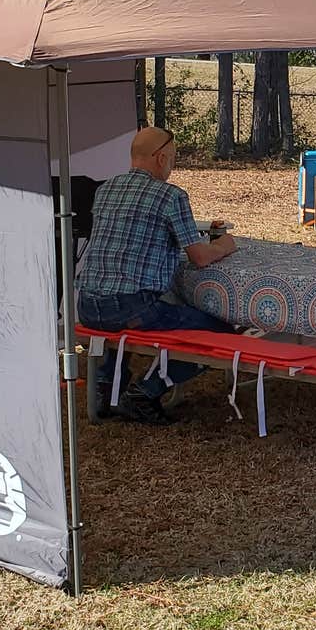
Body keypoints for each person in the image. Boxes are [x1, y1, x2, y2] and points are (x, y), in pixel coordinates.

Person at [77, 127, 238, 424]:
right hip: (131, 308)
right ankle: (144, 392)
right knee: (222, 332)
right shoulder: (170, 196)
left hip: (87, 305)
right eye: (173, 158)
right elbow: (200, 257)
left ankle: (105, 388)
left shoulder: (105, 190)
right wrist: (224, 246)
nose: (172, 165)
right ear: (161, 158)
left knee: (122, 311)